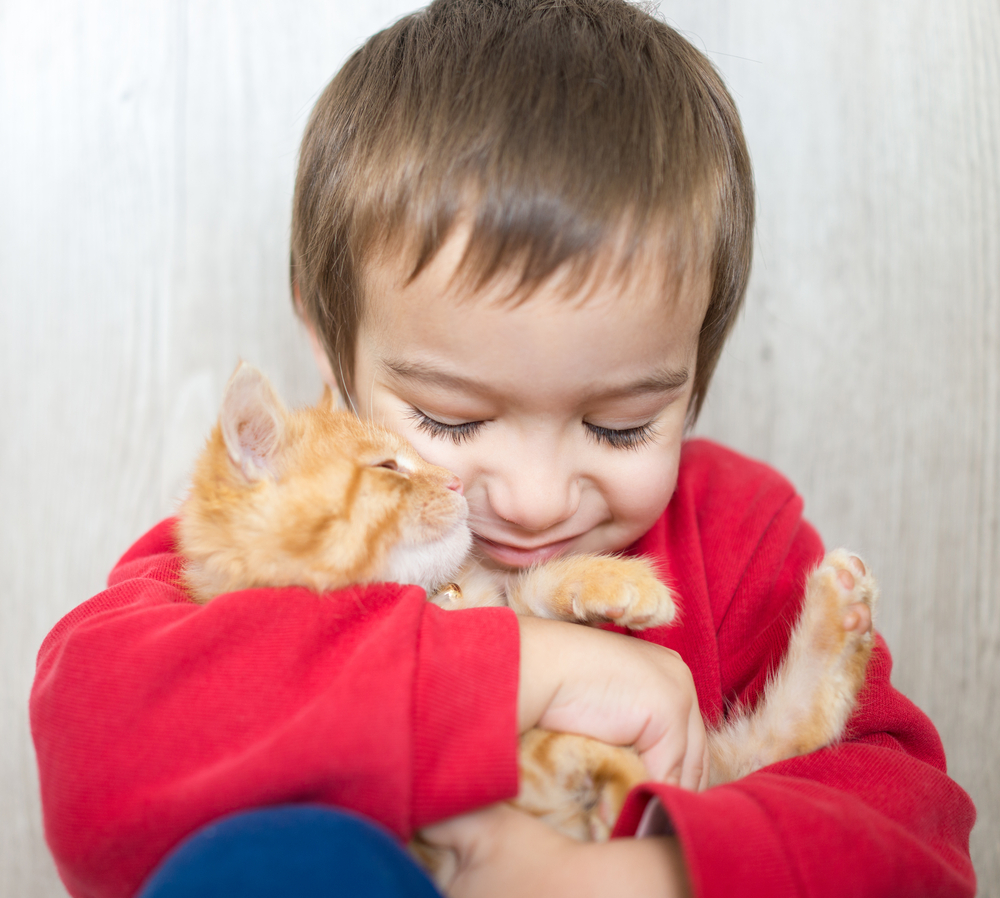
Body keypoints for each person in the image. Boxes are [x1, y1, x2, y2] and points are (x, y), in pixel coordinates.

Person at [31, 1, 976, 896]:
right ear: (326, 341)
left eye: (618, 426)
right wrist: (526, 668)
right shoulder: (274, 538)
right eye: (450, 419)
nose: (531, 499)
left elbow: (917, 835)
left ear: (695, 372)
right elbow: (98, 755)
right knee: (275, 861)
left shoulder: (738, 535)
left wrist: (645, 879)